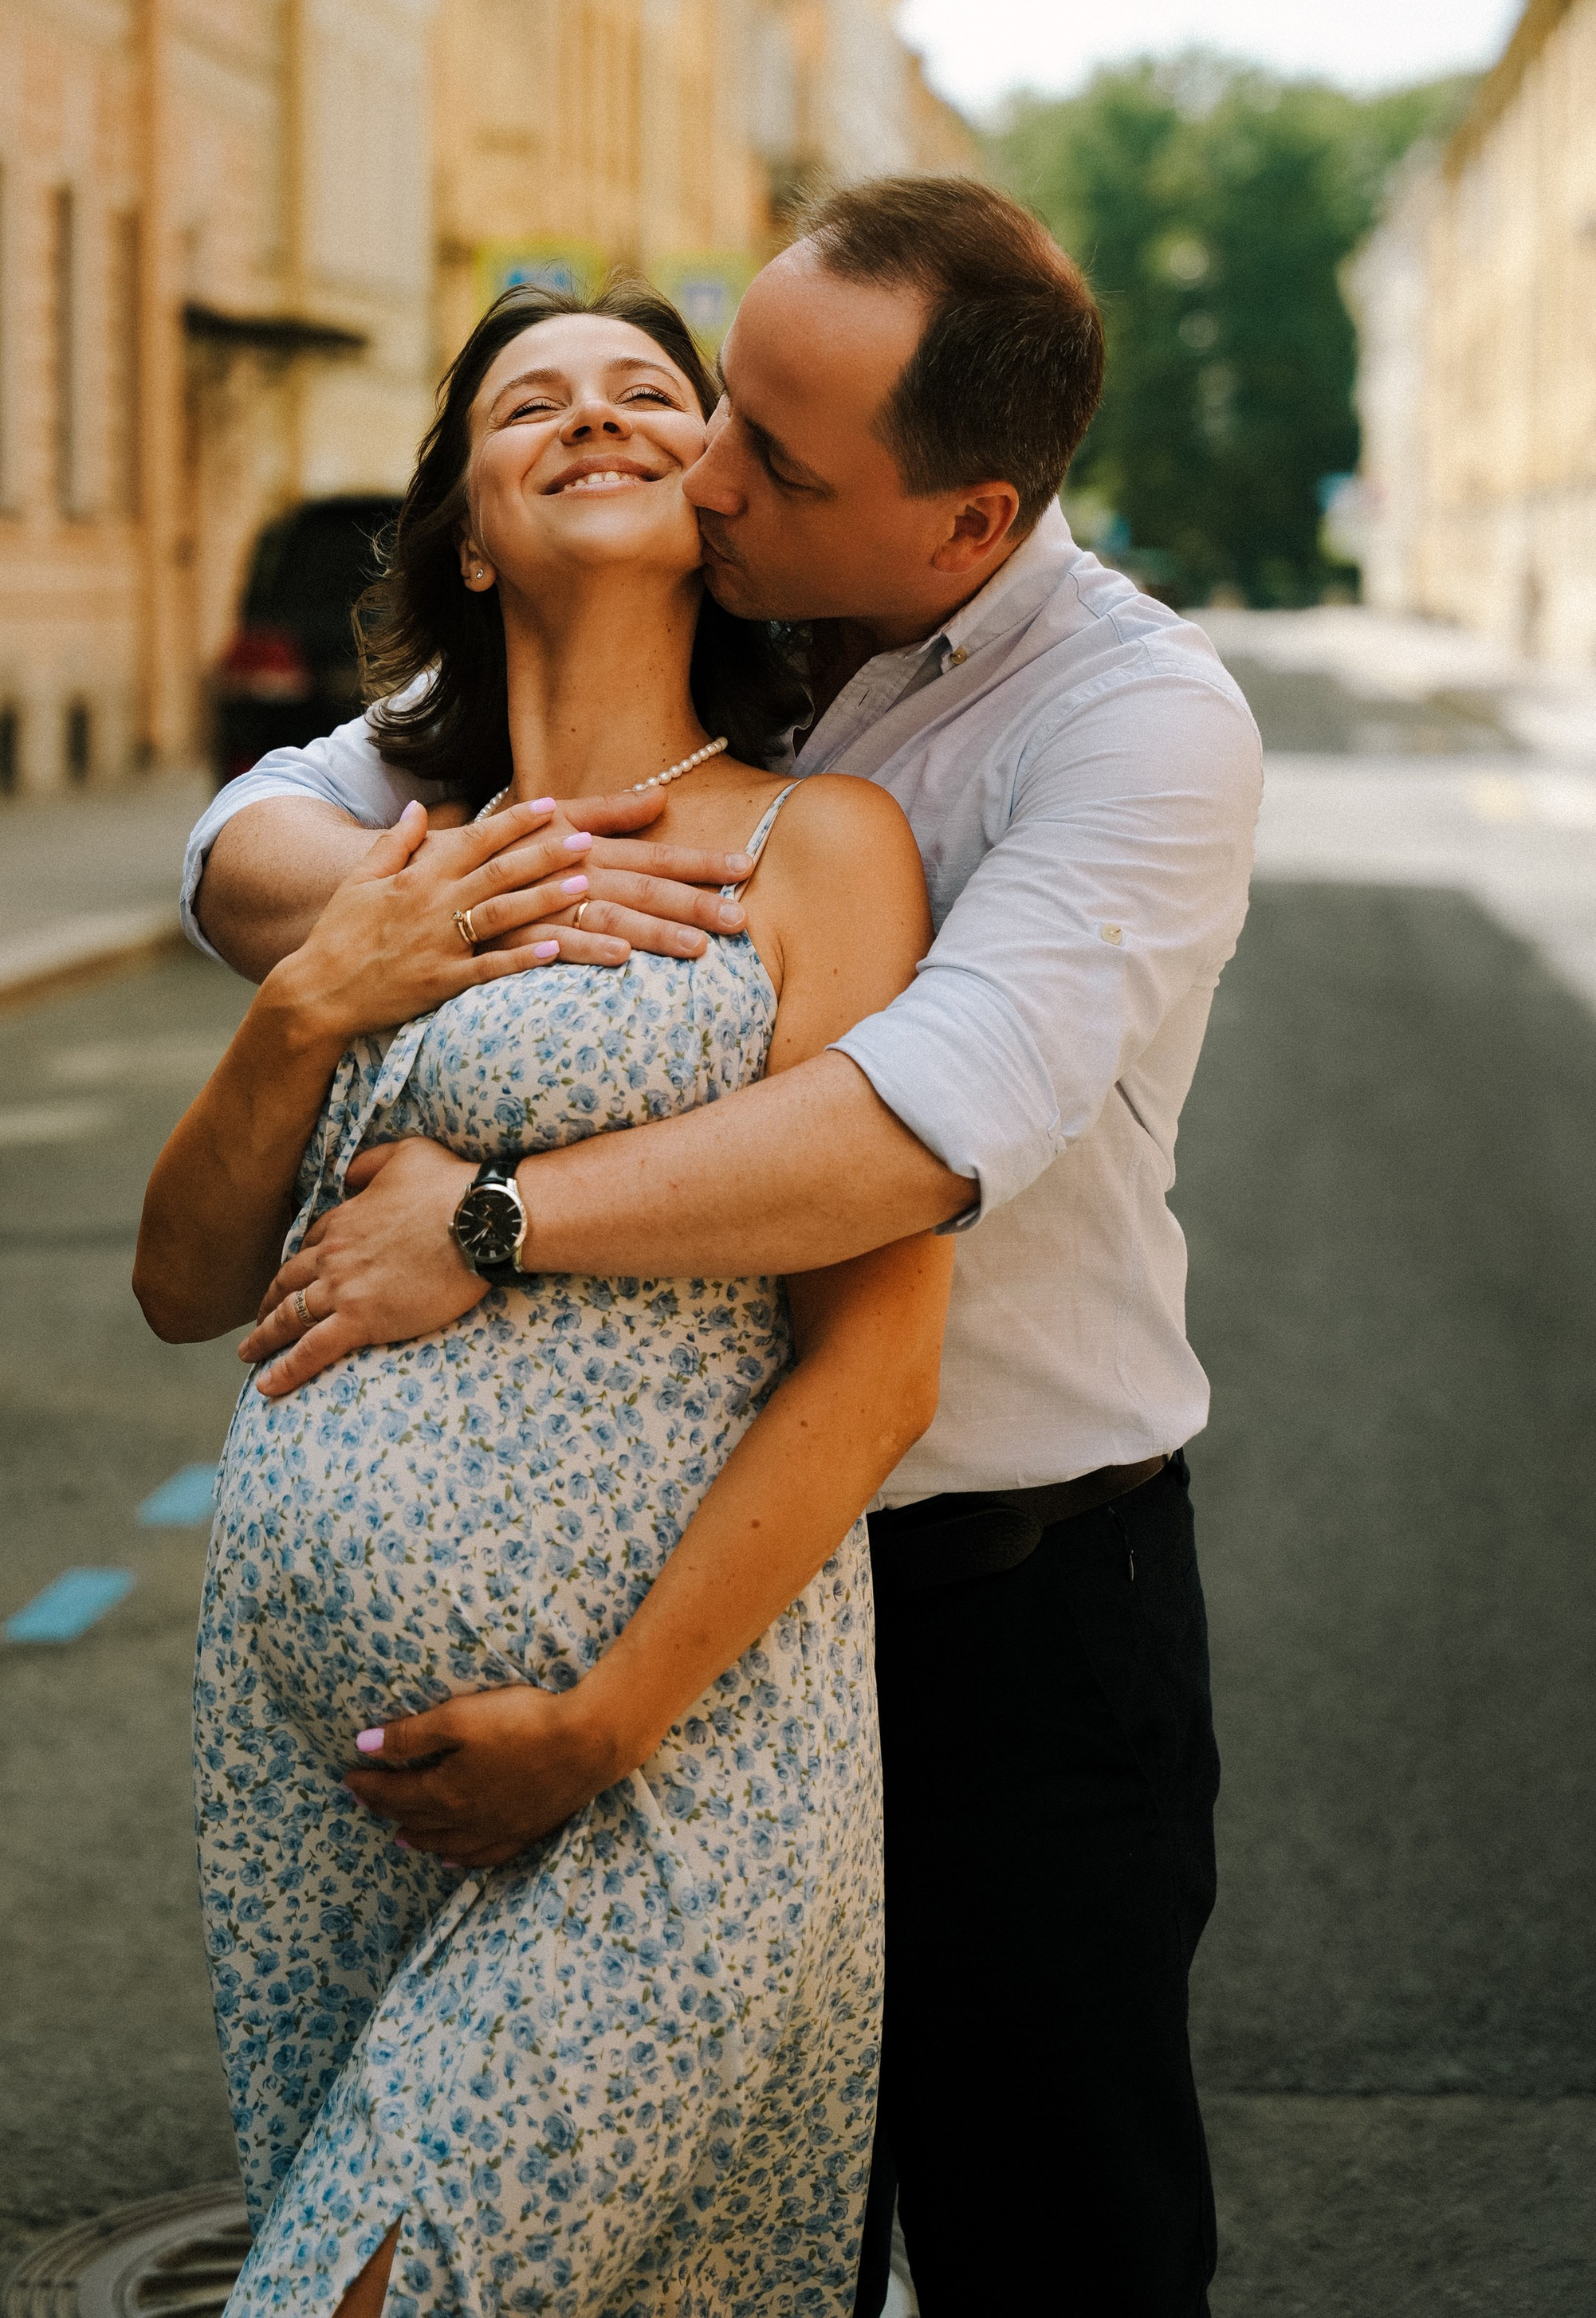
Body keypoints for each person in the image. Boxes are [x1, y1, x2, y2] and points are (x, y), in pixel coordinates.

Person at [183, 177, 1264, 2318]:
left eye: (763, 448)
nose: (702, 463)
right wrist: (441, 914)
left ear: (961, 522)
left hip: (999, 1616)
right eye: (725, 405)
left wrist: (491, 1222)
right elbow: (245, 836)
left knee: (1055, 2246)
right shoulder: (708, 620)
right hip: (666, 1617)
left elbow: (897, 1140)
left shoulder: (1126, 727)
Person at [136, 281, 954, 2317]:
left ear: (715, 492)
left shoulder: (814, 845)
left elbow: (878, 1357)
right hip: (316, 1756)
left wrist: (600, 1726)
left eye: (645, 395)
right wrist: (315, 997)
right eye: (528, 402)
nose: (590, 416)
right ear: (468, 529)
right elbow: (179, 1285)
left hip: (674, 1762)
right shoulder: (374, 859)